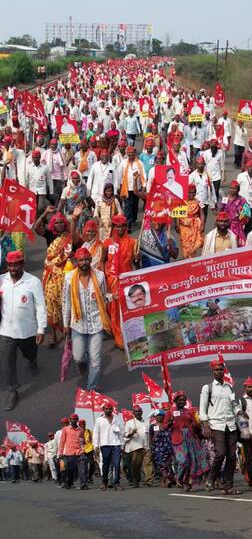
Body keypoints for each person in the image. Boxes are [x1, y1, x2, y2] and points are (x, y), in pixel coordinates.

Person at [0, 251, 46, 411]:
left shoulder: (33, 282)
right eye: (10, 265)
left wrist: (41, 329)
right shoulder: (1, 281)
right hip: (6, 331)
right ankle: (12, 390)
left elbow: (41, 306)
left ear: (22, 264)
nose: (12, 268)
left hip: (27, 331)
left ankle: (32, 361)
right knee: (7, 361)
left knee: (30, 353)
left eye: (16, 264)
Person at [62, 247, 111, 390]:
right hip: (78, 324)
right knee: (78, 357)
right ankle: (82, 363)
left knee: (95, 360)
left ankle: (92, 388)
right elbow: (66, 302)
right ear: (76, 261)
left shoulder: (100, 276)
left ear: (90, 260)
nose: (84, 262)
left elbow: (103, 297)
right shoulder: (69, 278)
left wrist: (113, 297)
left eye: (86, 259)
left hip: (96, 323)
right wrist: (66, 324)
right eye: (81, 260)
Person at [199, 357, 242, 495]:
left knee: (231, 457)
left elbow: (233, 405)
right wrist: (205, 426)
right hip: (216, 425)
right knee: (221, 453)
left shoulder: (229, 387)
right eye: (216, 370)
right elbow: (202, 408)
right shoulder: (208, 388)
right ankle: (211, 478)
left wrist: (239, 411)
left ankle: (228, 486)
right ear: (213, 371)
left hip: (230, 425)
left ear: (224, 371)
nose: (219, 372)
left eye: (221, 369)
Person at [102, 214, 139, 348]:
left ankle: (129, 335)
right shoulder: (107, 243)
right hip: (111, 281)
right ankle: (119, 338)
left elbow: (136, 263)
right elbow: (102, 262)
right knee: (114, 311)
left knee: (127, 309)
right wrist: (103, 282)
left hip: (127, 282)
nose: (121, 229)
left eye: (123, 226)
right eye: (118, 226)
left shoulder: (132, 242)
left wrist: (137, 257)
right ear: (114, 228)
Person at [42, 211, 72, 348]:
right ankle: (53, 333)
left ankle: (67, 332)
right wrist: (45, 213)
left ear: (65, 224)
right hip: (50, 275)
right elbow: (37, 228)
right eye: (56, 223)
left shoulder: (68, 238)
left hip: (64, 274)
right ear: (53, 225)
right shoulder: (49, 235)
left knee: (64, 303)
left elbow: (67, 254)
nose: (59, 225)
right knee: (50, 302)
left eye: (61, 222)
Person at [93, 403, 125, 491]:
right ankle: (104, 482)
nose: (109, 410)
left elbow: (120, 433)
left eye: (110, 409)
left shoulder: (117, 419)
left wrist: (122, 445)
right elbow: (96, 433)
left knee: (117, 464)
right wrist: (96, 446)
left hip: (116, 445)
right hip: (105, 445)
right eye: (107, 409)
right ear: (103, 409)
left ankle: (117, 483)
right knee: (105, 465)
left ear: (112, 409)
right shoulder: (99, 420)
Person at [115, 145, 146, 231]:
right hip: (126, 188)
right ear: (127, 154)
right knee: (128, 206)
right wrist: (118, 187)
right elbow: (119, 175)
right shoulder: (123, 163)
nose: (131, 156)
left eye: (132, 154)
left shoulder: (139, 163)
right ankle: (128, 223)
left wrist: (143, 187)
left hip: (137, 188)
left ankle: (134, 219)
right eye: (129, 154)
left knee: (135, 205)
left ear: (135, 154)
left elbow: (143, 175)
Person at [124, 405, 153, 488]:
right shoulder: (129, 423)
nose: (138, 413)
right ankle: (136, 480)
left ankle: (148, 481)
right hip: (136, 448)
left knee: (148, 464)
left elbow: (149, 435)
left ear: (142, 412)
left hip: (146, 447)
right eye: (136, 411)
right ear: (133, 413)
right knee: (136, 466)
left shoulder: (146, 422)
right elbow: (125, 435)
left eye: (139, 411)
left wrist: (151, 446)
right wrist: (131, 433)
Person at [58, 414, 87, 490]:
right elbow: (62, 441)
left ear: (77, 420)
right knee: (70, 470)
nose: (73, 420)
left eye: (75, 419)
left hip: (80, 452)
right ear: (70, 420)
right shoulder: (65, 429)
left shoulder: (81, 430)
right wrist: (60, 453)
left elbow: (82, 440)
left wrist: (83, 448)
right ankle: (69, 483)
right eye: (72, 419)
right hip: (69, 453)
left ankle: (83, 485)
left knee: (82, 469)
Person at [218, 180, 251, 245]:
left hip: (237, 226)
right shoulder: (225, 199)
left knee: (236, 244)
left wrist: (242, 220)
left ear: (238, 190)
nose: (232, 190)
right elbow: (220, 211)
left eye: (234, 188)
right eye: (231, 188)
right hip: (225, 225)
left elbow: (247, 213)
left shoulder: (242, 200)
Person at [176, 184, 205, 258]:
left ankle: (192, 260)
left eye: (193, 192)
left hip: (195, 227)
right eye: (189, 192)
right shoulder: (182, 202)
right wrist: (177, 225)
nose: (191, 194)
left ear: (195, 193)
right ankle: (187, 259)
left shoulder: (198, 202)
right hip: (184, 228)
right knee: (186, 245)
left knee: (194, 245)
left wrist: (202, 225)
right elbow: (178, 215)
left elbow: (202, 214)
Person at [235, 162, 252, 236]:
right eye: (249, 167)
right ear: (246, 167)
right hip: (242, 203)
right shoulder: (241, 176)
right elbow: (236, 187)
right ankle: (239, 234)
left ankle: (245, 235)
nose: (251, 169)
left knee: (251, 222)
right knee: (241, 220)